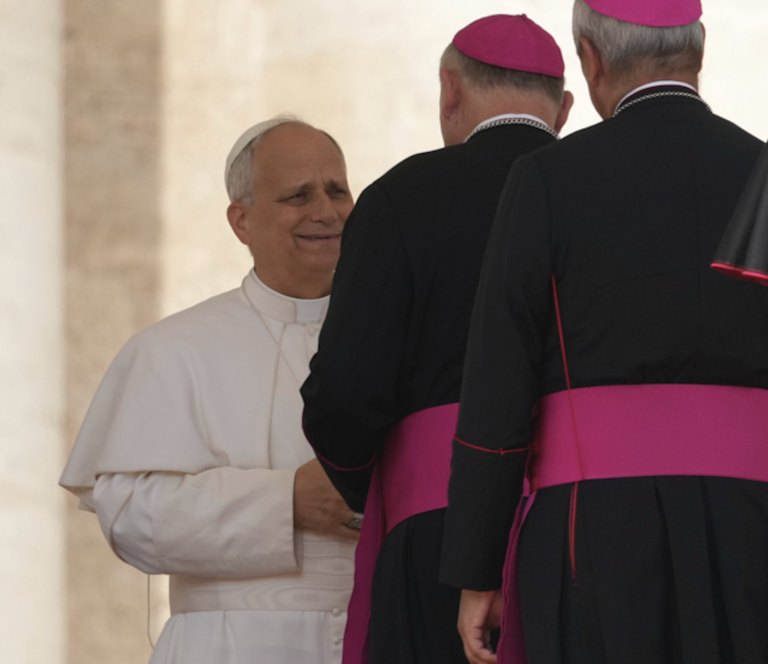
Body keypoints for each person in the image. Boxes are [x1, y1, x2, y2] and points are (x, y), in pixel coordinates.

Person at [439, 1, 768, 663]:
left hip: (596, 532)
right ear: (698, 47)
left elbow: (498, 381)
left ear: (588, 61)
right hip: (753, 525)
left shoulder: (546, 178)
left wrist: (479, 568)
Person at [301, 15, 573, 664]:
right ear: (563, 108)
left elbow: (346, 391)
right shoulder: (604, 190)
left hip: (440, 532)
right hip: (582, 526)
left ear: (450, 90)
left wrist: (374, 477)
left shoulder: (402, 196)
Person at [60, 117, 359, 664]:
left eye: (337, 190)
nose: (326, 210)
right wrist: (286, 502)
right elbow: (129, 516)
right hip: (228, 644)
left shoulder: (401, 340)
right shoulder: (172, 348)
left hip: (380, 634)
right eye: (298, 195)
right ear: (241, 221)